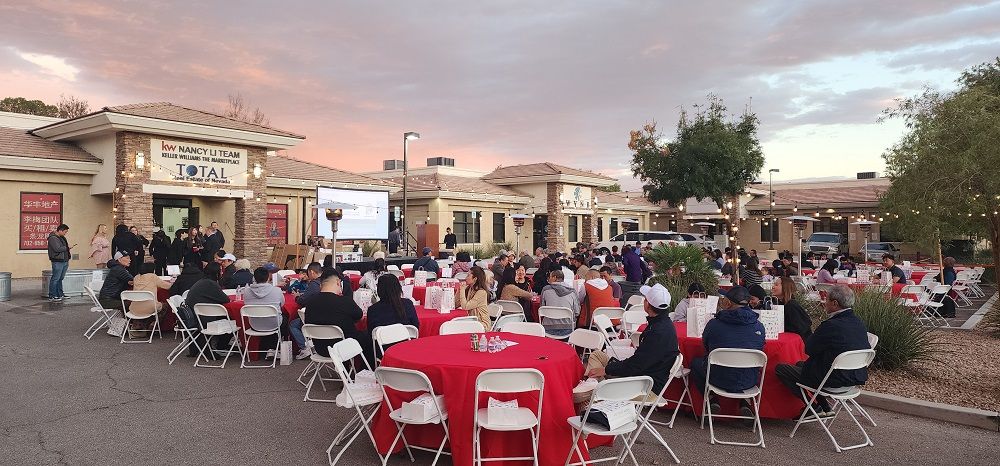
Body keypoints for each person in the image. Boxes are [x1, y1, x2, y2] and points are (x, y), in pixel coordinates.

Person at [776, 285, 870, 415]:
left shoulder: (830, 325)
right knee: (800, 364)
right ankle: (825, 407)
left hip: (833, 379)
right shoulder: (858, 322)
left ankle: (812, 406)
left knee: (781, 369)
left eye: (826, 300)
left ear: (835, 303)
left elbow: (809, 349)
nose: (824, 303)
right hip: (854, 377)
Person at [585, 283, 679, 395]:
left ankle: (595, 393)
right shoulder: (663, 324)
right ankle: (595, 388)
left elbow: (636, 366)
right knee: (597, 355)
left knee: (587, 384)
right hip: (643, 374)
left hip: (642, 384)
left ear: (647, 304)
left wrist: (606, 370)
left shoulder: (658, 332)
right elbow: (639, 362)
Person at [689, 286, 766, 418]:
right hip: (749, 379)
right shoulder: (759, 326)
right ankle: (744, 401)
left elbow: (706, 346)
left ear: (728, 303)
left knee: (696, 363)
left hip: (717, 377)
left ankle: (712, 398)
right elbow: (760, 348)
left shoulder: (714, 324)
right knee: (746, 366)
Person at [184, 262, 232, 352]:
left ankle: (215, 344)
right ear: (217, 273)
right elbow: (225, 300)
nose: (222, 273)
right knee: (232, 318)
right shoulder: (211, 284)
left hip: (193, 316)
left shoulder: (202, 282)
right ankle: (221, 346)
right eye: (220, 271)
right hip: (202, 319)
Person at [242, 266, 288, 356]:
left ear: (254, 278)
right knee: (285, 319)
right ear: (268, 277)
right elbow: (282, 304)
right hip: (274, 323)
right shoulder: (277, 290)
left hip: (254, 324)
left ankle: (268, 347)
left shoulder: (246, 292)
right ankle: (276, 348)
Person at [129, 263, 172, 333]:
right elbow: (168, 286)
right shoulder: (153, 277)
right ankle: (154, 322)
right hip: (150, 307)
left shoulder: (136, 278)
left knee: (146, 307)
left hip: (134, 308)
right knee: (164, 306)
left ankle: (141, 325)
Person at [539, 269, 579, 337]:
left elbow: (542, 308)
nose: (549, 279)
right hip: (568, 328)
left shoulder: (545, 290)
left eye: (550, 277)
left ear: (554, 278)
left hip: (548, 328)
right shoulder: (572, 291)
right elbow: (577, 312)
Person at [772, 276, 813, 340]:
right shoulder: (780, 304)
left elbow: (800, 328)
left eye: (776, 285)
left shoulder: (791, 306)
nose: (773, 287)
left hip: (799, 343)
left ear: (785, 288)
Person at [46, 224, 74, 302]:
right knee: (55, 278)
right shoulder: (53, 238)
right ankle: (52, 295)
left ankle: (60, 294)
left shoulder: (61, 238)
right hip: (57, 261)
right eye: (65, 232)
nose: (66, 233)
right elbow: (57, 249)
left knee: (60, 278)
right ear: (60, 230)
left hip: (64, 260)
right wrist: (67, 247)